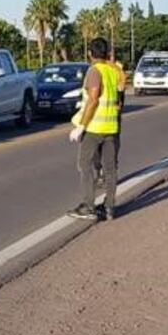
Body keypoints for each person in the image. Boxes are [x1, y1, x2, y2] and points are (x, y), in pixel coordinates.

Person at [68, 37, 121, 221]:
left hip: (94, 127)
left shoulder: (94, 71)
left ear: (90, 53)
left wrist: (81, 126)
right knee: (110, 169)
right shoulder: (112, 71)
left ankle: (88, 206)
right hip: (111, 127)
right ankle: (109, 207)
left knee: (84, 164)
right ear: (107, 53)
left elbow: (93, 99)